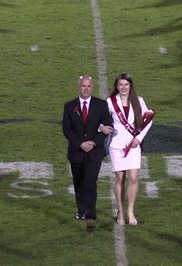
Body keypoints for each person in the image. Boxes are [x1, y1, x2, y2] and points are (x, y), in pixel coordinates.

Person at [102, 73, 154, 226]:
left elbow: (148, 119)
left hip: (133, 145)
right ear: (117, 86)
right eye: (121, 85)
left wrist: (139, 138)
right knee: (120, 179)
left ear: (130, 86)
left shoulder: (139, 101)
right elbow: (100, 119)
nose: (123, 87)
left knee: (133, 178)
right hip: (117, 145)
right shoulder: (110, 102)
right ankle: (120, 211)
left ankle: (130, 211)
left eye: (126, 84)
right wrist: (102, 127)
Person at [62, 75, 112, 231]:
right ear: (79, 86)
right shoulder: (69, 106)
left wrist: (94, 142)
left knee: (90, 182)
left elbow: (108, 127)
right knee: (78, 182)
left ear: (92, 87)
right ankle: (81, 210)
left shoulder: (101, 105)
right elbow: (67, 129)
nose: (86, 89)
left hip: (94, 152)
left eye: (89, 86)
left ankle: (91, 215)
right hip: (76, 151)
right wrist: (80, 144)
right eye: (83, 86)